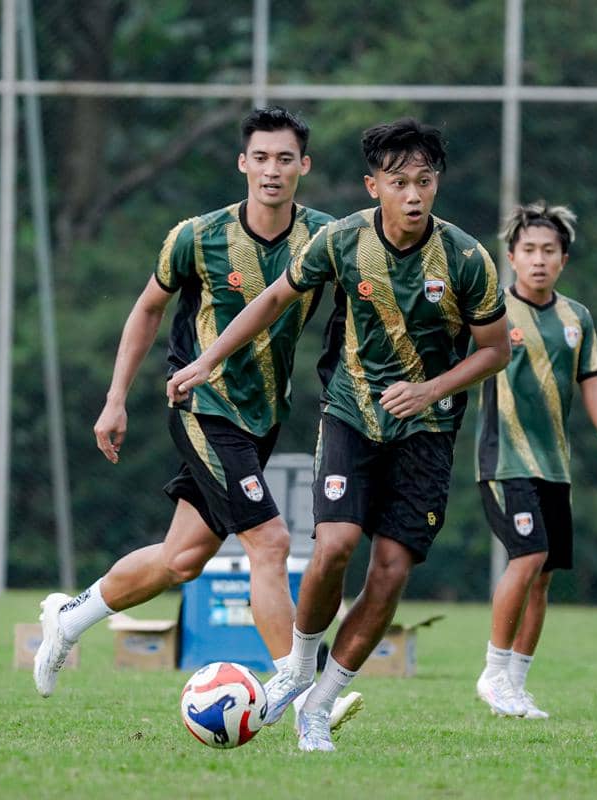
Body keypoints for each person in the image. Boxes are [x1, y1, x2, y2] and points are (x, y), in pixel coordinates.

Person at [168, 118, 511, 752]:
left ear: (437, 185)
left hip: (428, 429)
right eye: (399, 182)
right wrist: (206, 359)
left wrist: (430, 390)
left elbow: (495, 351)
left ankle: (319, 707)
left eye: (425, 181)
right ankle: (298, 669)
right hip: (350, 413)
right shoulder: (342, 239)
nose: (413, 195)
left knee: (390, 570)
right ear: (373, 186)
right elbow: (273, 300)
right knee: (334, 546)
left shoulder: (466, 259)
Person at [32, 107, 362, 730]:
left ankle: (69, 617)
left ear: (304, 166)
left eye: (284, 159)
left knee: (182, 559)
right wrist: (115, 397)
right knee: (271, 542)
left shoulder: (326, 238)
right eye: (260, 158)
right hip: (202, 407)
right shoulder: (197, 236)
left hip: (264, 417)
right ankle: (297, 693)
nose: (271, 170)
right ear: (242, 164)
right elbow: (147, 310)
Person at [473, 202, 597, 719]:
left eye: (549, 251)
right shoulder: (491, 311)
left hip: (554, 465)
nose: (538, 259)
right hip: (504, 459)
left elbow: (592, 384)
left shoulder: (576, 318)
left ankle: (515, 686)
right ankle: (493, 672)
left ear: (564, 259)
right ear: (511, 257)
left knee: (542, 576)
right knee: (529, 556)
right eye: (529, 250)